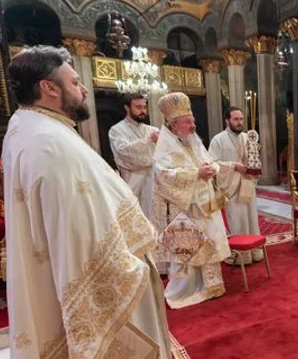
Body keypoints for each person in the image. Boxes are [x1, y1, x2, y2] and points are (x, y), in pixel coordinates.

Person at [2, 46, 174, 359]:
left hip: (69, 260)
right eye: (74, 81)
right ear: (49, 88)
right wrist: (129, 263)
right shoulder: (49, 142)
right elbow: (76, 227)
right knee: (110, 333)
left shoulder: (31, 126)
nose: (82, 88)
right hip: (97, 265)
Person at [153, 92, 233, 308]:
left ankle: (212, 285)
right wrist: (196, 174)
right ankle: (185, 290)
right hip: (186, 208)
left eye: (193, 121)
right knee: (190, 247)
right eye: (188, 122)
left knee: (210, 240)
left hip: (206, 203)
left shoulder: (193, 140)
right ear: (174, 124)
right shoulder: (165, 145)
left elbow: (209, 160)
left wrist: (211, 168)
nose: (193, 125)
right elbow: (164, 175)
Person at [208, 106, 260, 264]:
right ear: (227, 120)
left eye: (241, 119)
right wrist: (233, 166)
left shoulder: (248, 137)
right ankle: (239, 256)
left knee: (251, 218)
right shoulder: (219, 139)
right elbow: (212, 163)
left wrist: (254, 161)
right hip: (232, 187)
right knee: (237, 220)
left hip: (248, 184)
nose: (240, 122)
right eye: (236, 119)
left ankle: (255, 252)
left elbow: (255, 159)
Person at [108, 93, 159, 217]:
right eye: (138, 107)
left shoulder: (153, 130)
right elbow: (124, 153)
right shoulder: (117, 130)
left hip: (153, 181)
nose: (143, 111)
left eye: (144, 107)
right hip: (132, 182)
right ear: (127, 108)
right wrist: (148, 141)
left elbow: (162, 156)